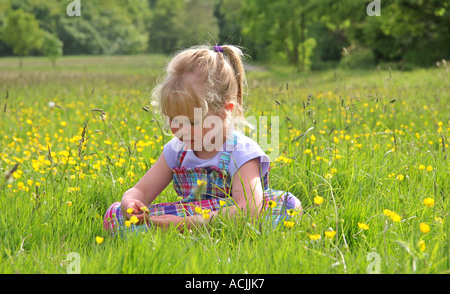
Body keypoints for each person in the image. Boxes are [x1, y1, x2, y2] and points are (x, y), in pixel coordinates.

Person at [103, 45, 301, 235]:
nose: (180, 129)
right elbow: (141, 190)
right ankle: (166, 232)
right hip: (189, 214)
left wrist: (185, 224)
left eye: (191, 121)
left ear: (225, 110)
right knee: (115, 213)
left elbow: (249, 210)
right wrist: (131, 202)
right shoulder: (176, 151)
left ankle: (175, 233)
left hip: (232, 219)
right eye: (173, 118)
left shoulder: (240, 151)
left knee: (286, 206)